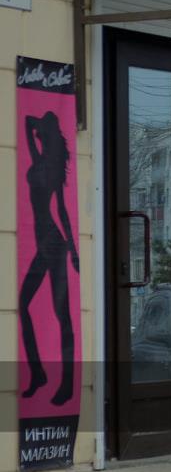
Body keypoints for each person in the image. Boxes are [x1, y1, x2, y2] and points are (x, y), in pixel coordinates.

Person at [19, 111, 79, 406]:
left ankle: (67, 383)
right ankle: (39, 374)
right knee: (23, 305)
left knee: (62, 314)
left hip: (54, 245)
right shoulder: (38, 160)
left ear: (48, 135)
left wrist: (74, 252)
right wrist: (41, 124)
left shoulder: (52, 168)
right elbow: (27, 122)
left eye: (44, 131)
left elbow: (62, 211)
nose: (39, 135)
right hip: (42, 244)